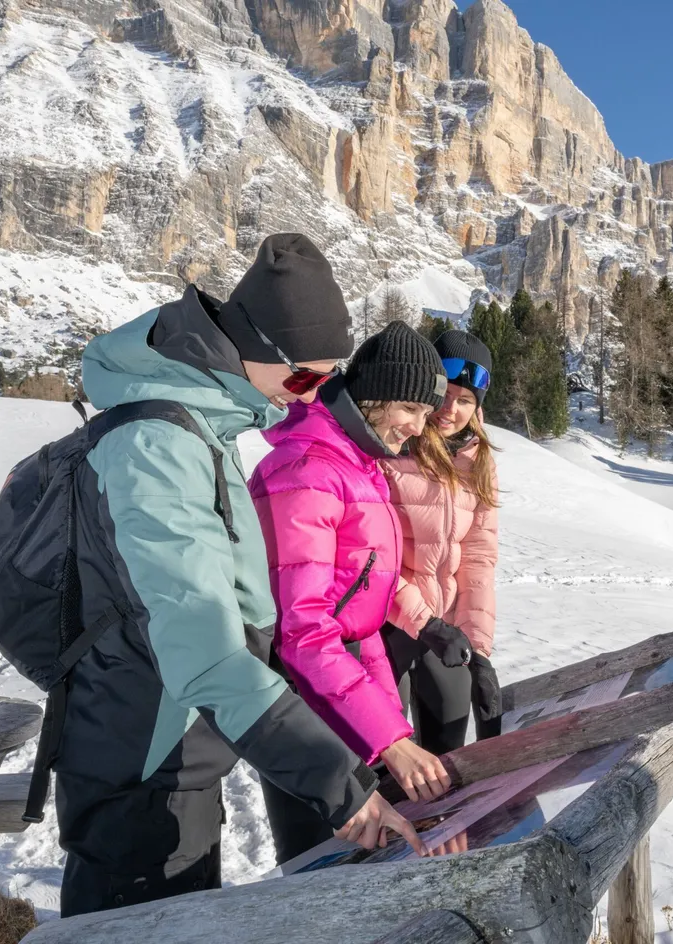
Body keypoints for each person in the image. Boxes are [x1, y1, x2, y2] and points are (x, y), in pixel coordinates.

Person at [56, 234, 423, 917]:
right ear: (261, 348)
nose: (306, 399)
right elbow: (206, 643)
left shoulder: (202, 427)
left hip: (180, 749)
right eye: (306, 379)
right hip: (142, 757)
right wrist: (338, 787)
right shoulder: (158, 446)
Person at [249, 321, 456, 864]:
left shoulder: (360, 468)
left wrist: (390, 728)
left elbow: (365, 588)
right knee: (319, 868)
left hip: (352, 690)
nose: (417, 428)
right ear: (373, 395)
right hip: (302, 707)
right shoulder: (308, 472)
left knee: (372, 863)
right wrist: (389, 741)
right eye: (409, 410)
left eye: (424, 414)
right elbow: (303, 631)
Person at [381, 329, 502, 755]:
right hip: (385, 626)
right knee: (387, 764)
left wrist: (480, 651)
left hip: (445, 628)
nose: (451, 409)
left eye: (466, 399)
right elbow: (369, 558)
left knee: (447, 757)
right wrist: (421, 621)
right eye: (444, 393)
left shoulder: (477, 464)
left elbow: (477, 561)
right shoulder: (391, 447)